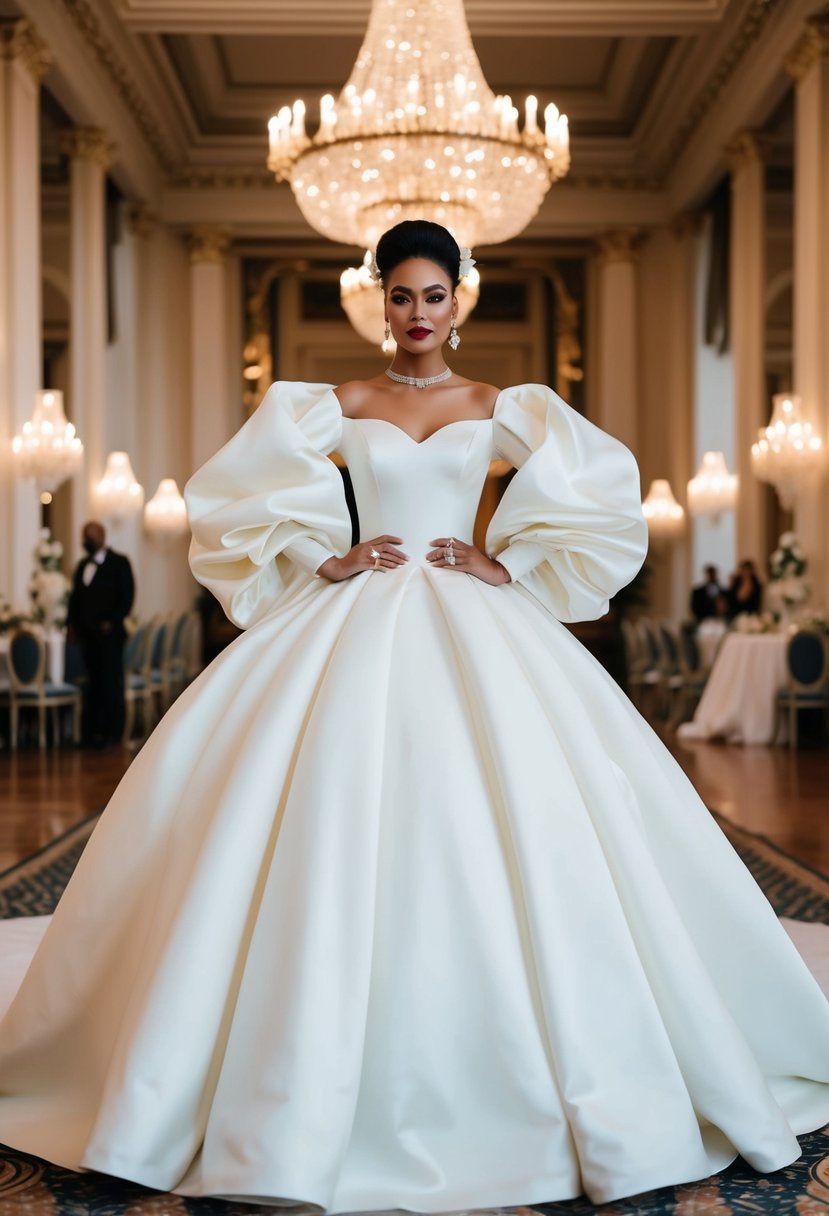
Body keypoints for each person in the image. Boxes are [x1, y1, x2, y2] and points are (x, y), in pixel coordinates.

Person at [0, 220, 828, 1211]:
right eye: (401, 295)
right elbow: (235, 493)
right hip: (355, 609)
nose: (418, 313)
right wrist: (323, 554)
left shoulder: (499, 404)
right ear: (378, 297)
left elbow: (599, 486)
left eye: (435, 295)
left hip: (474, 611)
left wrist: (508, 559)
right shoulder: (334, 401)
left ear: (458, 298)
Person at [66, 520, 135, 748]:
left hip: (110, 637)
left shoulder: (119, 563)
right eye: (84, 536)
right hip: (88, 637)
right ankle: (91, 734)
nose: (86, 541)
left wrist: (112, 622)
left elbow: (127, 598)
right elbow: (74, 600)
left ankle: (113, 734)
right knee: (92, 684)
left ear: (102, 537)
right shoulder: (82, 565)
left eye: (90, 536)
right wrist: (72, 626)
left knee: (110, 683)